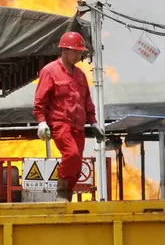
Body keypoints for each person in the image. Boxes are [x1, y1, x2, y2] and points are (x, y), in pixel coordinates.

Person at [32, 31, 105, 202]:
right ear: (64, 50)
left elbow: (87, 101)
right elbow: (40, 101)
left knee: (77, 164)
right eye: (76, 51)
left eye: (80, 52)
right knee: (71, 155)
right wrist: (42, 123)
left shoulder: (80, 75)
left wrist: (93, 122)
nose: (79, 55)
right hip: (60, 124)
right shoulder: (49, 71)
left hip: (78, 127)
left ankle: (68, 195)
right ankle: (62, 191)